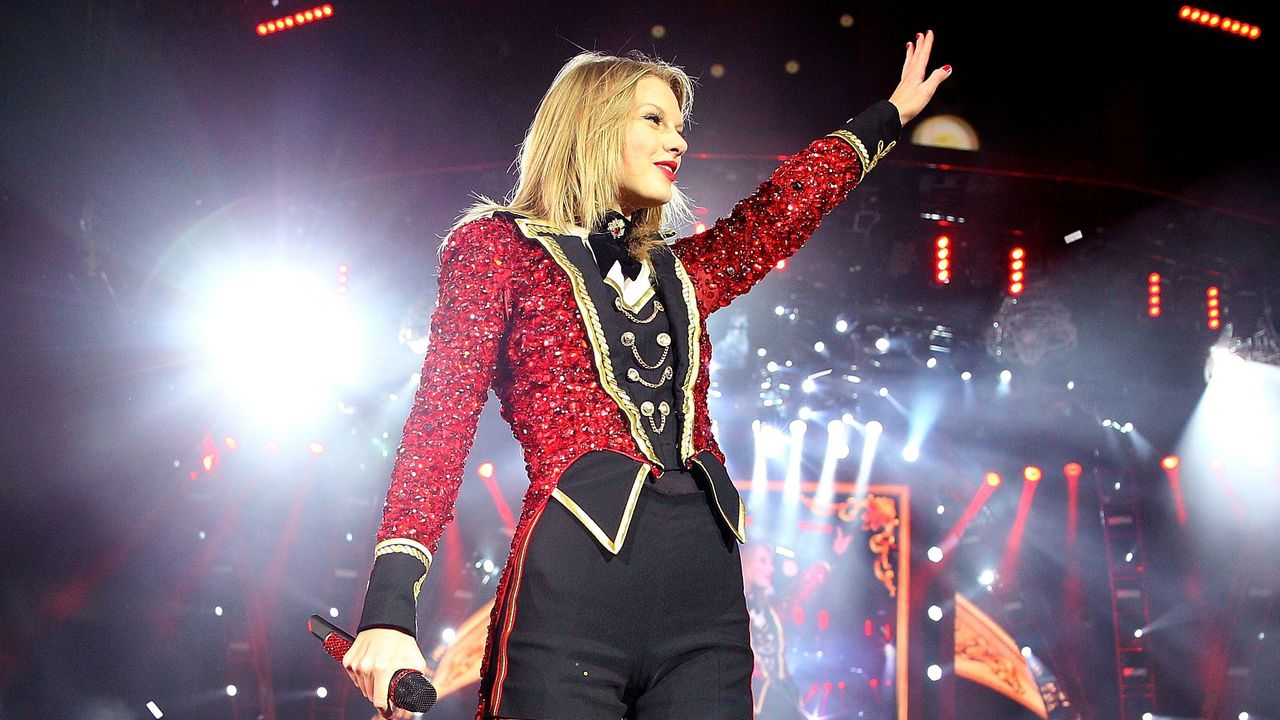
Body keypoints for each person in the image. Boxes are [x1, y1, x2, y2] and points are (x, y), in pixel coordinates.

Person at [343, 31, 949, 720]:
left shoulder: (683, 273)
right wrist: (389, 609)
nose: (678, 142)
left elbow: (782, 209)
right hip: (572, 600)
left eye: (681, 127)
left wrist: (889, 116)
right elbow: (440, 421)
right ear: (593, 127)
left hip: (708, 608)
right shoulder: (496, 248)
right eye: (655, 120)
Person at [742, 530, 854, 719]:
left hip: (779, 699)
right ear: (745, 561)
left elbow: (801, 590)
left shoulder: (771, 611)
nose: (771, 568)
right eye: (762, 561)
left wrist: (832, 557)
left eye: (770, 563)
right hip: (750, 702)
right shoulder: (730, 609)